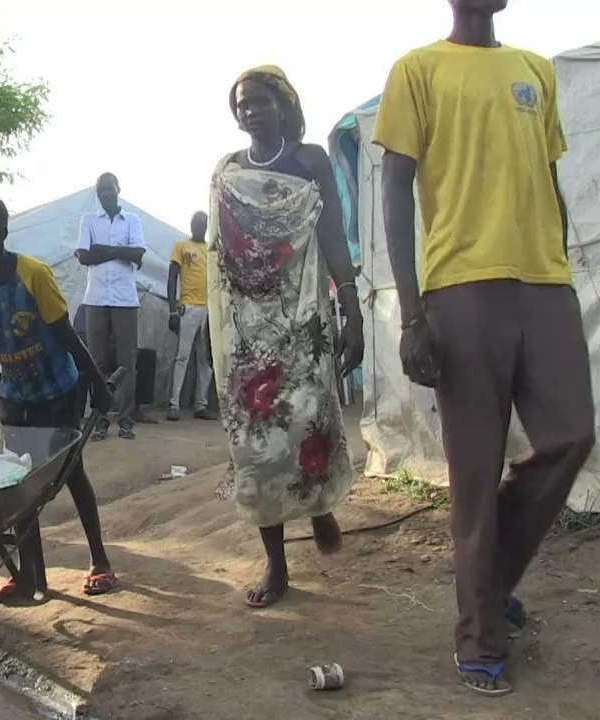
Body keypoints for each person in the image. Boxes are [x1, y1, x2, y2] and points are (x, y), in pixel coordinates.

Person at [374, 0, 592, 696]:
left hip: (545, 283)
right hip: (461, 290)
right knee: (474, 474)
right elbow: (395, 188)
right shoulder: (418, 70)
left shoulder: (535, 70)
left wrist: (561, 263)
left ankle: (487, 583)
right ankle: (479, 638)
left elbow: (550, 183)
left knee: (572, 435)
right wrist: (412, 315)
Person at [208, 66, 364, 611]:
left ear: (284, 105)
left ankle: (318, 505)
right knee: (256, 444)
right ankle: (276, 563)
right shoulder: (227, 172)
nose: (250, 111)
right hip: (248, 328)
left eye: (260, 101)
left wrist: (352, 311)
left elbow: (333, 236)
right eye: (242, 104)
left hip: (303, 318)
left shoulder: (309, 161)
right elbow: (219, 257)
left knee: (308, 421)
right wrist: (216, 331)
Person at [0, 194, 118, 603]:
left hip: (56, 390)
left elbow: (67, 336)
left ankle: (100, 561)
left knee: (71, 473)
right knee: (19, 482)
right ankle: (31, 577)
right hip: (14, 392)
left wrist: (97, 384)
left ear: (2, 232)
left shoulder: (33, 275)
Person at [76, 173, 145, 440]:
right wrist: (121, 252)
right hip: (95, 298)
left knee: (127, 361)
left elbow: (138, 253)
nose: (104, 194)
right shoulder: (88, 220)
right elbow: (84, 257)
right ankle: (101, 419)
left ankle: (125, 420)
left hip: (125, 299)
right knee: (97, 362)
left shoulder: (133, 220)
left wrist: (102, 250)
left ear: (118, 189)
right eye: (100, 190)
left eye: (109, 189)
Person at [167, 211, 217, 421]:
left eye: (202, 224)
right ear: (190, 225)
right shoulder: (181, 246)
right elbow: (172, 278)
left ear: (207, 227)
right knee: (182, 357)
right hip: (188, 307)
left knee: (205, 359)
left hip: (210, 309)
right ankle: (174, 404)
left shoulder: (212, 250)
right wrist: (172, 309)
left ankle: (201, 405)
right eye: (195, 223)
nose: (198, 227)